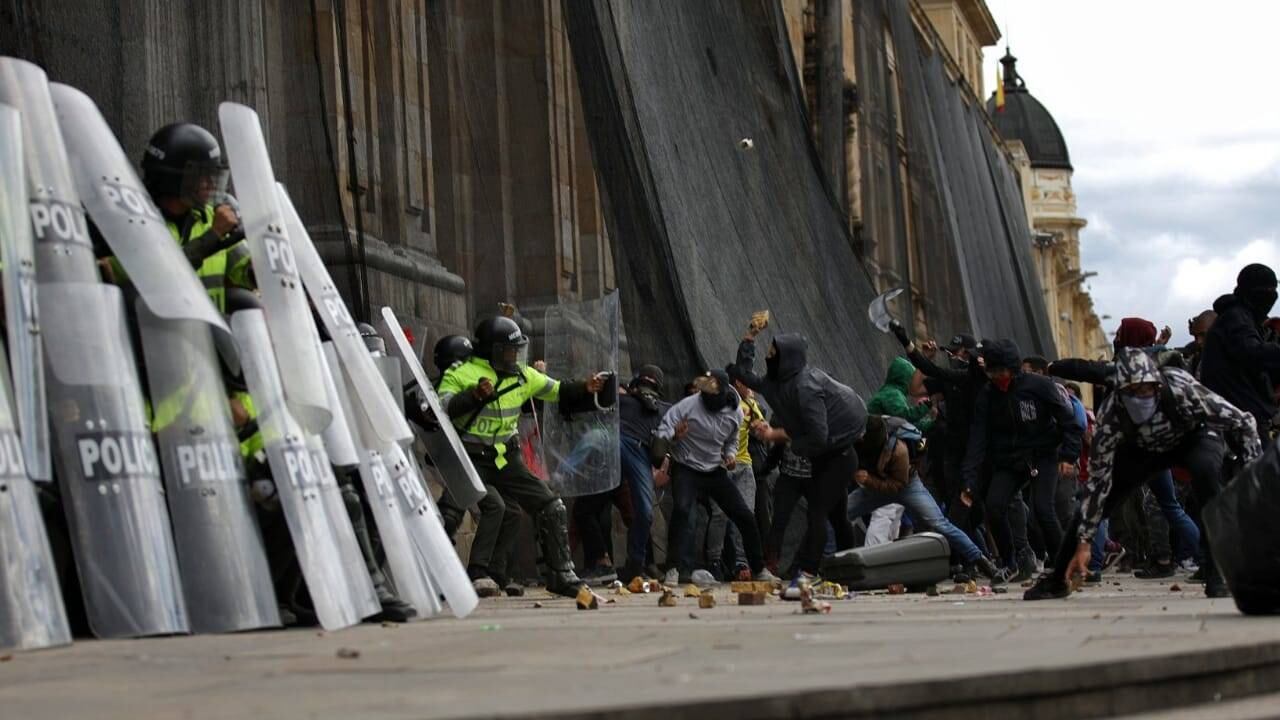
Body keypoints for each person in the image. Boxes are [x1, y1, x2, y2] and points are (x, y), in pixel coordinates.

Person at [1026, 349, 1262, 600]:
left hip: (1194, 437)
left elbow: (1243, 421)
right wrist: (1084, 541)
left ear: (1157, 385)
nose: (1142, 397)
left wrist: (1252, 478)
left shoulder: (1181, 389)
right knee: (1094, 504)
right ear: (1120, 392)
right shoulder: (1111, 418)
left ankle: (1216, 572)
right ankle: (1057, 579)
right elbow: (1097, 486)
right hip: (1142, 450)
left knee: (1206, 476)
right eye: (1134, 392)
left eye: (1148, 390)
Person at [437, 315, 608, 597]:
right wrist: (475, 396)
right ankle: (438, 576)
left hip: (506, 459)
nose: (515, 356)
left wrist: (585, 388)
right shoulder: (461, 373)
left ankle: (561, 573)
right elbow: (442, 407)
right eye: (509, 350)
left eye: (518, 350)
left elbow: (557, 390)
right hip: (469, 457)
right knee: (449, 514)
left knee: (552, 506)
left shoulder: (524, 375)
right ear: (492, 351)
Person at [731, 323, 867, 589]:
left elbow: (818, 436)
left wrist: (776, 435)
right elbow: (746, 376)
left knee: (818, 511)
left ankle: (809, 571)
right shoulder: (776, 384)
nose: (768, 357)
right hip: (821, 457)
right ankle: (849, 570)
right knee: (838, 516)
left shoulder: (806, 388)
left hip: (838, 455)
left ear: (787, 358)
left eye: (773, 353)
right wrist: (749, 339)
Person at [406, 333, 522, 598]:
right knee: (473, 509)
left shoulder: (479, 381)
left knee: (510, 510)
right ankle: (450, 572)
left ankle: (494, 571)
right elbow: (439, 413)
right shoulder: (443, 387)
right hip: (445, 463)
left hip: (472, 461)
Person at [962, 339, 1082, 581]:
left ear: (1012, 368)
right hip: (1010, 460)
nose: (997, 377)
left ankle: (1063, 563)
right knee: (994, 507)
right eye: (992, 372)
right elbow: (977, 439)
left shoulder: (1039, 386)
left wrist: (1069, 455)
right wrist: (969, 481)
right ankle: (1010, 562)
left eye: (1001, 371)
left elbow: (1070, 422)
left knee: (1042, 509)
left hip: (1043, 455)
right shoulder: (988, 395)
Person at [653, 370, 777, 585]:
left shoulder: (735, 412)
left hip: (713, 469)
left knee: (744, 515)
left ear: (722, 393)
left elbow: (732, 440)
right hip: (687, 466)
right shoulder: (687, 406)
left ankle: (758, 568)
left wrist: (729, 455)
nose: (705, 396)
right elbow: (662, 431)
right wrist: (674, 434)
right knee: (682, 509)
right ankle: (673, 567)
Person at [846, 416, 1005, 582]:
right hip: (875, 482)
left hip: (905, 485)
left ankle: (980, 559)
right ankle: (826, 561)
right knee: (843, 511)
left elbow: (897, 486)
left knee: (939, 523)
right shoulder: (856, 438)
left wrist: (869, 481)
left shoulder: (899, 449)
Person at [140, 123, 253, 312]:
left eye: (213, 175)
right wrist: (212, 236)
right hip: (160, 336)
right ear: (175, 179)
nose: (211, 184)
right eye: (203, 176)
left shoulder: (211, 215)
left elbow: (241, 267)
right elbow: (160, 276)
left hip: (212, 337)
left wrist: (256, 271)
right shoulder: (141, 221)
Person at [1200, 263, 1280, 437]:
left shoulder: (1244, 317)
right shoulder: (1236, 317)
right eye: (1268, 291)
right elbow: (1253, 354)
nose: (1272, 297)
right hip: (1237, 416)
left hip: (1241, 413)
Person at [863, 356, 935, 545]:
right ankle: (875, 554)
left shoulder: (896, 395)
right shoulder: (891, 395)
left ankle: (886, 554)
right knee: (885, 510)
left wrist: (932, 423)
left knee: (894, 510)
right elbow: (905, 417)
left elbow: (911, 424)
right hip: (882, 459)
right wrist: (927, 406)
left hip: (889, 459)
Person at [704, 374, 767, 581]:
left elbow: (760, 426)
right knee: (720, 514)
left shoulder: (749, 404)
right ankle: (714, 561)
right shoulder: (713, 404)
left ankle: (743, 562)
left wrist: (751, 401)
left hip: (743, 464)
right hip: (719, 465)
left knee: (747, 513)